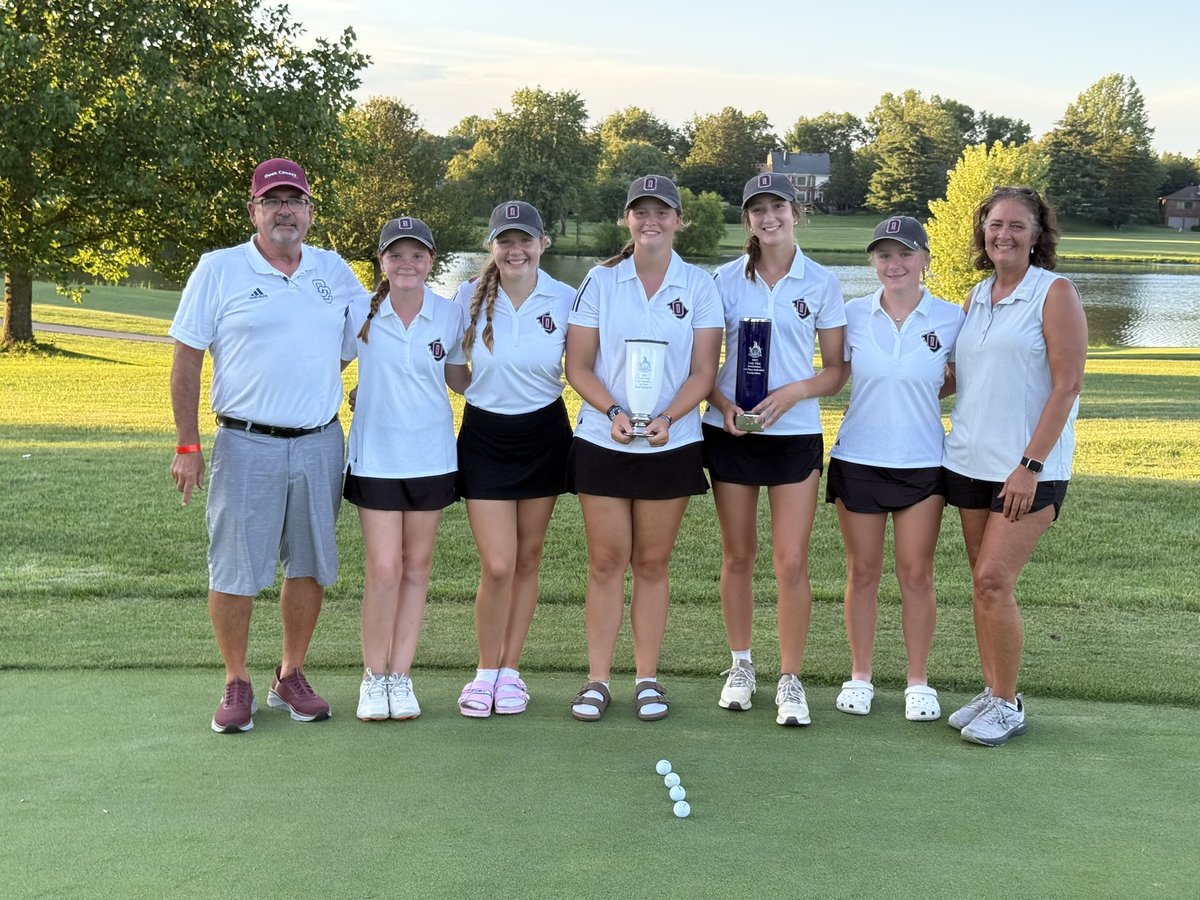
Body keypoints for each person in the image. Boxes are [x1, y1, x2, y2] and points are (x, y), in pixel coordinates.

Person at [170, 157, 368, 734]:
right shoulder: (219, 268)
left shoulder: (332, 269)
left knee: (308, 563)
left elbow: (372, 331)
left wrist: (343, 386)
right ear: (254, 210)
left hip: (319, 443)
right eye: (273, 201)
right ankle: (236, 680)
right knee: (235, 567)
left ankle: (290, 673)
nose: (285, 211)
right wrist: (187, 445)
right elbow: (186, 357)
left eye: (295, 201)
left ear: (310, 212)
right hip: (245, 442)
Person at [565, 175, 723, 722]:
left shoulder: (699, 284)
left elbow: (703, 371)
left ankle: (647, 680)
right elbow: (578, 365)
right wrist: (614, 412)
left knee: (653, 564)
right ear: (627, 219)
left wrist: (668, 418)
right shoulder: (600, 280)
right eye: (641, 211)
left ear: (679, 220)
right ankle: (597, 680)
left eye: (662, 211)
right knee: (606, 562)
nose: (650, 220)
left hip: (671, 442)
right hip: (603, 439)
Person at [942, 186, 1087, 746]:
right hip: (969, 462)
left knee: (993, 580)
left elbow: (1067, 385)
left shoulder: (1055, 292)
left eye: (1016, 226)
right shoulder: (976, 296)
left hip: (1027, 470)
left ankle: (1007, 704)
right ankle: (993, 689)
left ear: (1036, 235)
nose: (1003, 234)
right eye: (995, 224)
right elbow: (957, 378)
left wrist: (1030, 464)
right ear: (983, 231)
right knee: (982, 585)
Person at [703, 173, 846, 726]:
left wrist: (792, 393)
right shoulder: (721, 281)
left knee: (790, 560)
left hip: (794, 434)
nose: (769, 217)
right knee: (737, 555)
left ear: (796, 212)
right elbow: (701, 366)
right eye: (758, 209)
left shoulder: (822, 282)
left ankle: (790, 677)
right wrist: (723, 404)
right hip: (731, 432)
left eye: (778, 207)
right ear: (747, 219)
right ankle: (741, 665)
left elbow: (835, 371)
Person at [826, 216, 964, 722]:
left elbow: (956, 377)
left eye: (905, 253)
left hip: (923, 463)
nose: (895, 263)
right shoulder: (851, 315)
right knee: (862, 572)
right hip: (858, 459)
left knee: (916, 573)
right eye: (884, 254)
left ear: (925, 259)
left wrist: (916, 395)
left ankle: (917, 681)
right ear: (873, 261)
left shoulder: (951, 317)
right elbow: (832, 373)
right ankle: (860, 675)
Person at [451, 201, 575, 718]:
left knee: (527, 559)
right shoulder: (466, 297)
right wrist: (488, 393)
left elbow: (584, 363)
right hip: (485, 437)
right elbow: (451, 368)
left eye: (526, 240)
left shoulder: (565, 298)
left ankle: (510, 672)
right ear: (492, 246)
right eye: (506, 240)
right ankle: (485, 671)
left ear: (543, 244)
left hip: (544, 434)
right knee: (498, 564)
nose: (516, 250)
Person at [342, 217, 469, 721]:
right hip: (375, 458)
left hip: (432, 457)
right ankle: (373, 677)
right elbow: (329, 363)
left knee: (416, 568)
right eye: (396, 255)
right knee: (384, 569)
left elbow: (459, 377)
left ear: (431, 260)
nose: (407, 264)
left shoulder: (450, 314)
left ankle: (400, 675)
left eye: (417, 255)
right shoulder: (359, 311)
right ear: (382, 261)